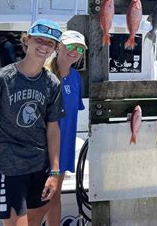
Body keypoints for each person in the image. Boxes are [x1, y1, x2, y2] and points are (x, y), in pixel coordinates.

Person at [0, 19, 63, 225]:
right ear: (27, 40)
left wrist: (55, 172)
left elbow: (53, 129)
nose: (43, 46)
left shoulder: (52, 83)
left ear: (55, 49)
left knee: (34, 221)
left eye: (50, 43)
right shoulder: (0, 80)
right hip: (10, 167)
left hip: (39, 167)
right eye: (39, 40)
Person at [43, 30, 87, 225]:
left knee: (55, 196)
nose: (74, 51)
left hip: (64, 147)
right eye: (70, 46)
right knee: (38, 199)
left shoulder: (76, 77)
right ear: (58, 46)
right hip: (43, 149)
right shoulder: (44, 75)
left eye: (79, 48)